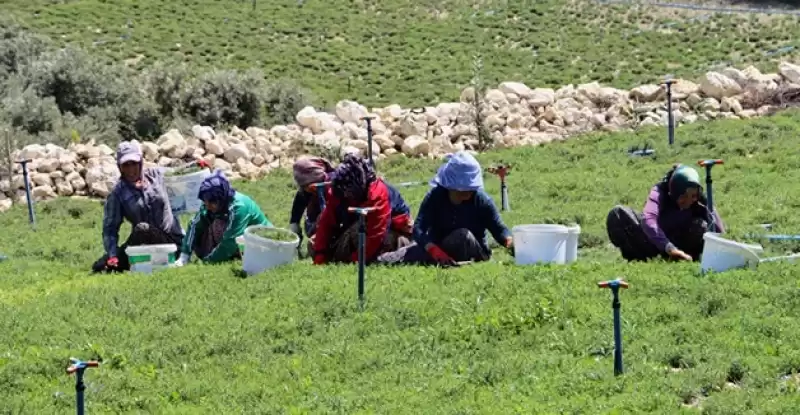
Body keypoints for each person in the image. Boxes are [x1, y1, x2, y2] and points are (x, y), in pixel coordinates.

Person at [376, 151, 514, 267]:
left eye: (470, 189)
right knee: (391, 258)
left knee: (462, 236)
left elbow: (499, 229)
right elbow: (419, 228)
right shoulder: (436, 196)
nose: (467, 193)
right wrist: (432, 248)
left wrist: (509, 242)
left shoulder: (481, 200)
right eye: (462, 190)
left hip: (473, 250)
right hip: (439, 246)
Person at [92, 141, 185, 273]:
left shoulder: (156, 176)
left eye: (134, 163)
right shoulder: (118, 193)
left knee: (142, 229)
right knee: (141, 231)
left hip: (171, 242)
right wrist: (112, 254)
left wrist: (198, 167)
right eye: (126, 165)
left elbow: (181, 174)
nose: (131, 169)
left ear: (140, 162)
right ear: (119, 167)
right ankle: (111, 261)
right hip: (142, 244)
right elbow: (110, 228)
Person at [606, 163, 725, 262]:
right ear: (674, 192)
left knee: (701, 226)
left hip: (682, 242)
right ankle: (641, 259)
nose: (688, 201)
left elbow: (718, 229)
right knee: (617, 214)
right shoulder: (660, 192)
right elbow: (648, 219)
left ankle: (686, 258)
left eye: (693, 196)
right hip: (656, 241)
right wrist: (669, 248)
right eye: (683, 196)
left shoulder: (699, 200)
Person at [312, 153, 412, 265]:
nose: (345, 198)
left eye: (348, 196)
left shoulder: (377, 194)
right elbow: (326, 222)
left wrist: (356, 260)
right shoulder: (339, 190)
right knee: (313, 243)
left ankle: (397, 249)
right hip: (354, 230)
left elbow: (377, 235)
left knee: (359, 230)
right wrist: (319, 254)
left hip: (390, 232)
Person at [175, 170, 273, 266]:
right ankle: (217, 255)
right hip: (237, 241)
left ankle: (225, 257)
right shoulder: (208, 204)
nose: (208, 206)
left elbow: (231, 240)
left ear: (221, 198)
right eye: (206, 202)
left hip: (261, 242)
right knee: (204, 228)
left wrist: (207, 262)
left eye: (212, 203)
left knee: (219, 225)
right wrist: (184, 255)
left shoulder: (239, 207)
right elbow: (195, 225)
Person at [288, 157, 336, 254]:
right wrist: (294, 239)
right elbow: (295, 219)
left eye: (309, 186)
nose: (307, 189)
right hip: (316, 227)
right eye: (304, 187)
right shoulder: (305, 193)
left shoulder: (335, 185)